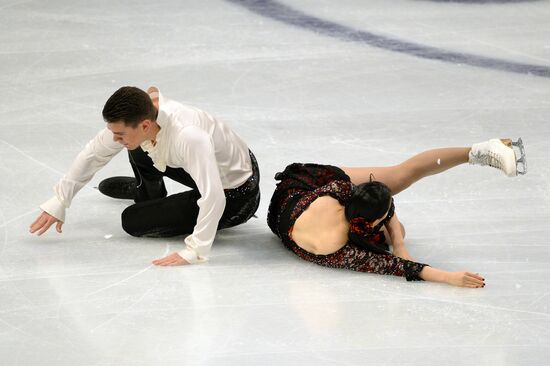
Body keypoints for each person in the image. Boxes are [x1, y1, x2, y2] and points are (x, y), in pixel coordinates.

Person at [29, 86, 260, 266]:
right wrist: (60, 199)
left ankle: (152, 204)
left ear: (145, 124)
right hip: (211, 163)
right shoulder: (142, 111)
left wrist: (195, 250)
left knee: (132, 220)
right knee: (136, 146)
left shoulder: (188, 136)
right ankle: (148, 195)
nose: (115, 139)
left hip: (236, 194)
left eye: (119, 134)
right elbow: (94, 153)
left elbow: (214, 196)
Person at [267, 138, 527, 288]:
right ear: (369, 221)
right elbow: (394, 265)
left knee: (399, 177)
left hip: (302, 191)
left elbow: (383, 196)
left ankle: (482, 151)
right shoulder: (339, 248)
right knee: (396, 232)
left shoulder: (338, 190)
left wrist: (400, 245)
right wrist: (450, 278)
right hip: (296, 206)